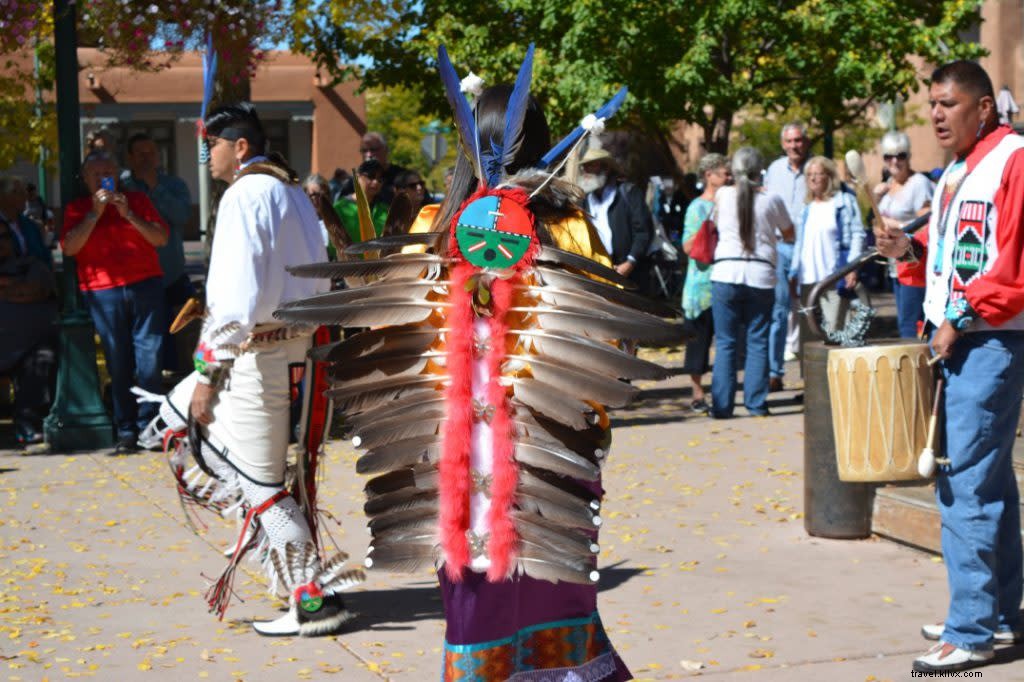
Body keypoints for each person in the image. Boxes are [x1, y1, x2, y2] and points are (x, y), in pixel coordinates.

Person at [150, 102, 361, 635]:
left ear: (239, 146)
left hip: (253, 353)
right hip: (294, 347)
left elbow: (234, 297)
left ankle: (311, 598)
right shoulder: (291, 190)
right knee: (187, 432)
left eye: (212, 146)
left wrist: (208, 374)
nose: (208, 156)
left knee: (257, 482)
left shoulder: (246, 193)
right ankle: (292, 572)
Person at [874, 60, 1024, 674]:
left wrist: (958, 317)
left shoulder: (1013, 158)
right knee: (987, 486)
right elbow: (954, 258)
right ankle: (997, 611)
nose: (935, 114)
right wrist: (907, 252)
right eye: (931, 104)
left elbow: (1012, 264)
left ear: (983, 107)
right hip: (963, 340)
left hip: (990, 343)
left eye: (948, 103)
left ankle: (971, 630)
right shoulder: (956, 171)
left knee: (964, 483)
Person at [60, 150, 168, 453]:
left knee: (150, 357)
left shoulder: (138, 201)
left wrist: (129, 215)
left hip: (145, 285)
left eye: (108, 172)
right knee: (118, 361)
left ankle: (150, 426)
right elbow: (70, 247)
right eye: (96, 174)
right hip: (102, 291)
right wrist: (94, 213)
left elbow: (160, 239)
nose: (103, 178)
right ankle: (126, 429)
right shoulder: (77, 208)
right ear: (85, 179)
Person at [710, 147, 793, 419]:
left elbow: (715, 223)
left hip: (725, 274)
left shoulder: (723, 195)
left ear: (734, 171)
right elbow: (789, 232)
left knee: (725, 343)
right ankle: (756, 404)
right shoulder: (772, 200)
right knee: (758, 341)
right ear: (761, 172)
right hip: (761, 275)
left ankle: (722, 407)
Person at [120, 132, 195, 373]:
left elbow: (182, 216)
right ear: (129, 158)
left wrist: (155, 187)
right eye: (140, 154)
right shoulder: (122, 187)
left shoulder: (174, 185)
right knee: (145, 344)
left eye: (151, 153)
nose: (146, 159)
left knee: (182, 341)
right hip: (136, 281)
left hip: (171, 277)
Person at [790, 156, 866, 334]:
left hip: (833, 279)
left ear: (829, 176)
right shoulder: (806, 208)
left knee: (834, 332)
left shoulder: (844, 202)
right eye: (809, 175)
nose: (813, 178)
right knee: (809, 336)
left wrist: (852, 268)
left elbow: (857, 235)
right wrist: (793, 273)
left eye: (818, 174)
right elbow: (800, 243)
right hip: (808, 280)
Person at [681, 153, 730, 413]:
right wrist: (707, 231)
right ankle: (697, 393)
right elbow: (688, 246)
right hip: (700, 285)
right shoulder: (696, 208)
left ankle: (722, 392)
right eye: (724, 173)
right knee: (698, 341)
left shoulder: (733, 203)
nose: (729, 177)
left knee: (724, 341)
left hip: (726, 281)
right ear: (708, 175)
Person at [873, 131, 935, 339]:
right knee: (904, 320)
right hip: (894, 264)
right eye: (888, 156)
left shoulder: (918, 183)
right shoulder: (887, 185)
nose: (894, 161)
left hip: (914, 260)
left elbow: (927, 223)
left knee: (910, 323)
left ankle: (917, 368)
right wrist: (874, 197)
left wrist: (895, 225)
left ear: (908, 156)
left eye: (900, 155)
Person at [0, 219, 57, 445]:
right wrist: (12, 288)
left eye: (4, 237)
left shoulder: (31, 265)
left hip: (30, 345)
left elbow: (36, 290)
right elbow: (25, 291)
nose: (0, 242)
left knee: (44, 356)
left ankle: (27, 422)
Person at [763, 122, 809, 391]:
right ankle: (774, 373)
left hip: (808, 248)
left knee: (808, 311)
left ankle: (809, 375)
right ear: (783, 144)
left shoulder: (816, 168)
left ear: (805, 142)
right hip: (780, 247)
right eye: (790, 141)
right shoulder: (774, 170)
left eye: (799, 140)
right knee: (778, 312)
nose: (795, 146)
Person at [579, 147, 653, 293]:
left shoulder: (629, 193)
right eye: (584, 166)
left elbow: (644, 232)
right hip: (600, 274)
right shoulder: (586, 201)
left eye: (591, 165)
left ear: (606, 168)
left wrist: (630, 262)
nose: (586, 171)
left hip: (631, 274)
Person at [337, 132, 408, 205]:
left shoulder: (403, 176)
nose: (369, 155)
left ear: (386, 150)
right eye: (364, 151)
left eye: (373, 149)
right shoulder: (354, 181)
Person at [0, 177, 51, 269]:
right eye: (18, 193)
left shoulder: (32, 226)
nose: (25, 197)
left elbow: (45, 257)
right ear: (3, 196)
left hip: (35, 280)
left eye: (24, 192)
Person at [303, 172, 349, 258]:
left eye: (323, 194)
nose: (319, 199)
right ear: (304, 196)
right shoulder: (300, 223)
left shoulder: (337, 220)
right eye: (313, 195)